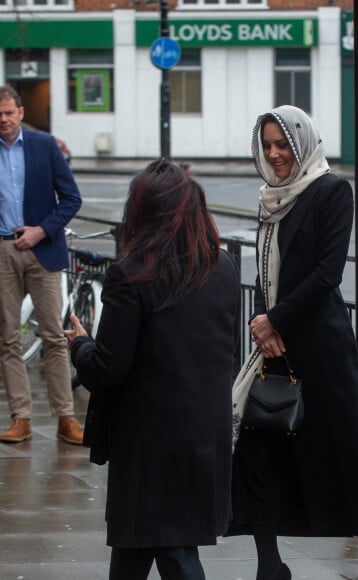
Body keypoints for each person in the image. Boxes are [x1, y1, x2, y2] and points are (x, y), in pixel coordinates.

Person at [227, 105, 358, 580]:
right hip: (276, 347)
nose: (275, 154)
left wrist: (274, 320)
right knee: (259, 448)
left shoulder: (331, 191)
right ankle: (270, 563)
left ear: (302, 143)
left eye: (282, 144)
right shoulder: (271, 198)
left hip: (321, 347)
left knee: (350, 450)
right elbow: (268, 275)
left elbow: (328, 273)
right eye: (267, 145)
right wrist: (267, 328)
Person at [65, 159, 241, 580]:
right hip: (203, 431)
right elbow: (228, 352)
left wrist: (79, 345)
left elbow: (108, 367)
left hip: (151, 442)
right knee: (135, 545)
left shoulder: (131, 275)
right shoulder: (222, 268)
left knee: (173, 549)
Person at [0, 85, 84, 445]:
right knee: (7, 339)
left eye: (8, 113)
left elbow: (71, 199)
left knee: (52, 335)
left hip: (42, 249)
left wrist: (40, 231)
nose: (3, 120)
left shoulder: (45, 146)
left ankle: (66, 418)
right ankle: (21, 418)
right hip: (3, 252)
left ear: (20, 113)